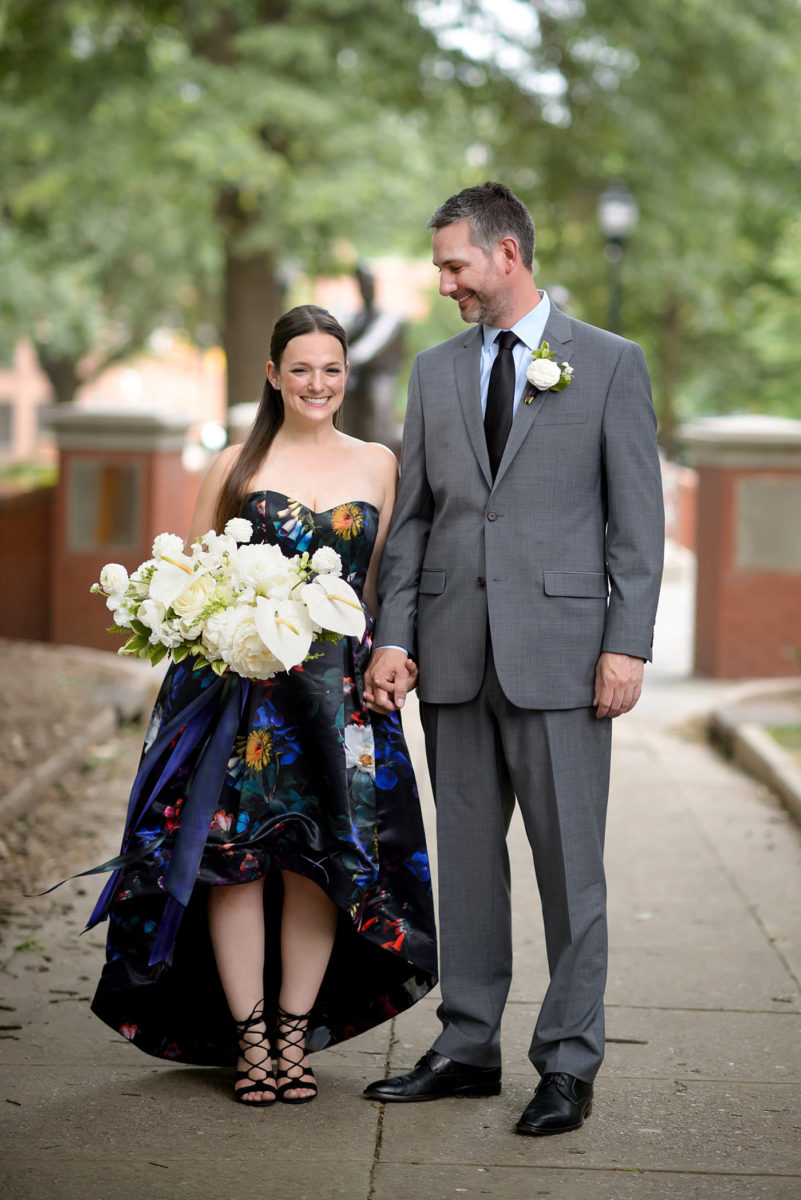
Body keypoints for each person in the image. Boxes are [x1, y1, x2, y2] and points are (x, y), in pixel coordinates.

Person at [362, 183, 664, 1135]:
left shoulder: (609, 366)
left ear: (505, 256)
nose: (444, 281)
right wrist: (396, 633)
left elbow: (636, 525)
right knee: (467, 866)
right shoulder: (433, 371)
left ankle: (568, 1063)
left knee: (571, 870)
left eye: (454, 264)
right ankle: (465, 1045)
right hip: (450, 660)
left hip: (565, 661)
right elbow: (413, 525)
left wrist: (625, 643)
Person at [89, 304, 437, 1106]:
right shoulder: (233, 468)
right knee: (234, 864)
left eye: (332, 369)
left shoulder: (381, 463)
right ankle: (248, 1038)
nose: (318, 383)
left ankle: (293, 1033)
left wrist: (390, 657)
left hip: (339, 700)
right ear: (273, 375)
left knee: (322, 865)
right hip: (235, 699)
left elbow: (386, 589)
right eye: (302, 368)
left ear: (345, 377)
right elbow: (191, 586)